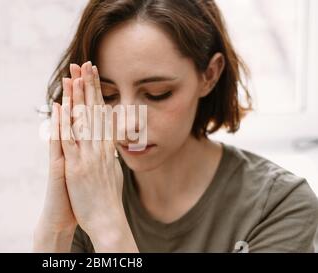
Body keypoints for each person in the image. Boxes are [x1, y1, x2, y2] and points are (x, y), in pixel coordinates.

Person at [33, 0, 318, 253]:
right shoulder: (92, 189)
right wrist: (56, 228)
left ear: (209, 75)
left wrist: (109, 229)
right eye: (107, 95)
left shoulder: (279, 206)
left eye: (157, 93)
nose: (129, 124)